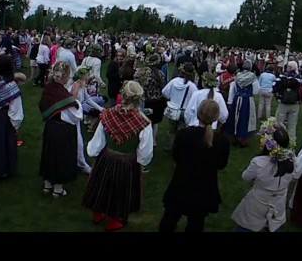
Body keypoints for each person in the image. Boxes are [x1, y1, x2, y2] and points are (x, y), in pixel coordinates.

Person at [83, 81, 153, 232]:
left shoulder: (107, 114)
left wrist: (94, 152)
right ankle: (115, 220)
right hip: (127, 162)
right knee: (121, 191)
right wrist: (141, 163)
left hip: (107, 157)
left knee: (102, 186)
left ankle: (98, 213)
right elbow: (145, 152)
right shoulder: (144, 122)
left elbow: (97, 141)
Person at [159, 99, 230, 232]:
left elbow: (176, 156)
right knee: (196, 221)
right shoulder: (221, 141)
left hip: (182, 182)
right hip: (204, 187)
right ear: (215, 117)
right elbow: (221, 165)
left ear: (198, 114)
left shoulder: (184, 134)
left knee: (170, 217)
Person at [231, 118, 295, 232]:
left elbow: (245, 177)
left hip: (258, 203)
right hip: (278, 203)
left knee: (246, 226)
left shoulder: (259, 162)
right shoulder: (293, 161)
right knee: (274, 226)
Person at [39, 61, 83, 198]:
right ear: (64, 76)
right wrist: (74, 96)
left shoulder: (48, 88)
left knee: (49, 154)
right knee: (61, 157)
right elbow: (75, 116)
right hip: (63, 130)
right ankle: (58, 189)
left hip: (50, 127)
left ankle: (47, 184)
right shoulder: (63, 94)